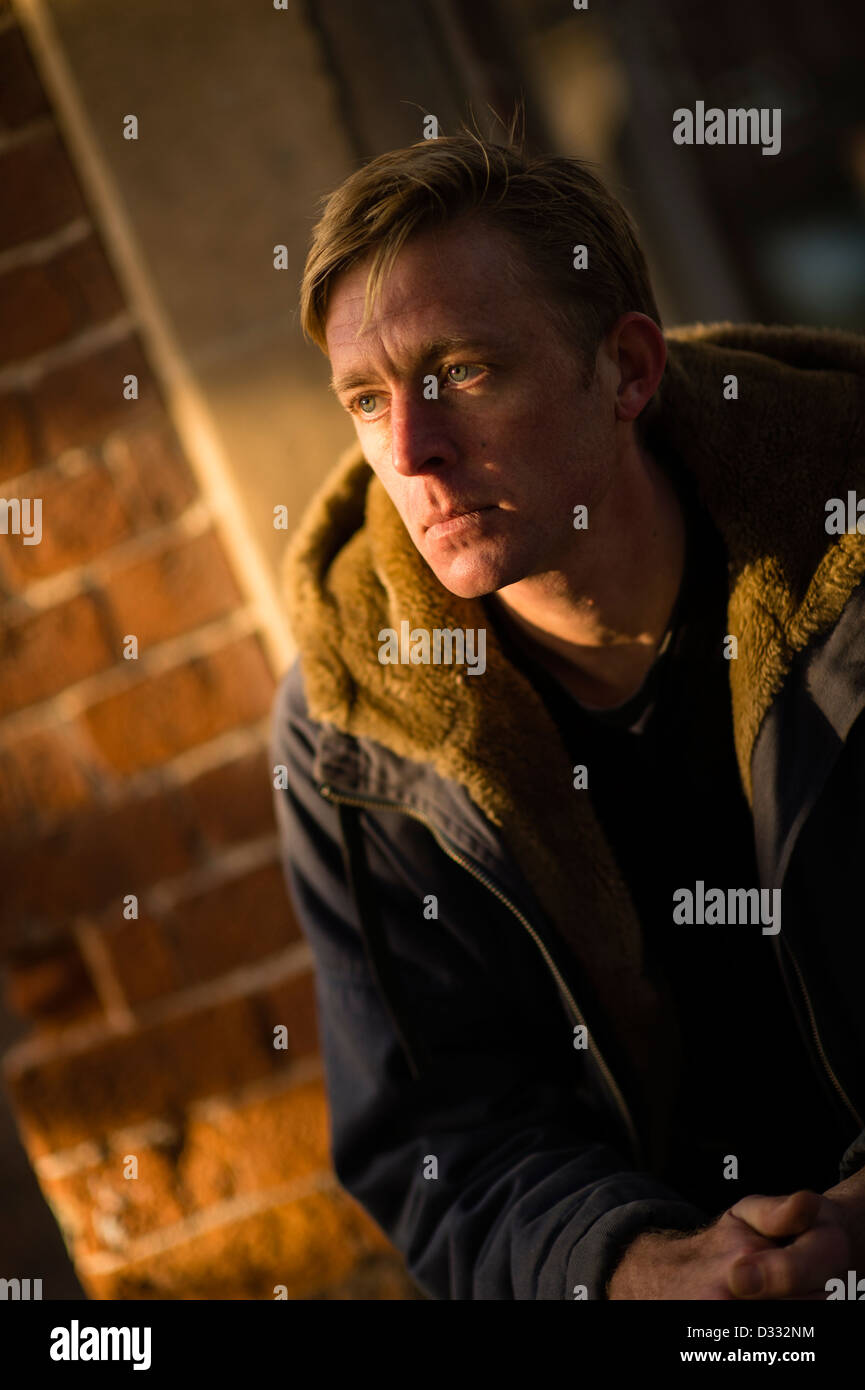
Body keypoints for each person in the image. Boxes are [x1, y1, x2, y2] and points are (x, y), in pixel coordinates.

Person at [270, 129, 865, 1299]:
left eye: (467, 373)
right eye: (365, 398)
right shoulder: (353, 728)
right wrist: (637, 1269)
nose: (414, 449)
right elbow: (445, 1144)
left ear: (627, 371)